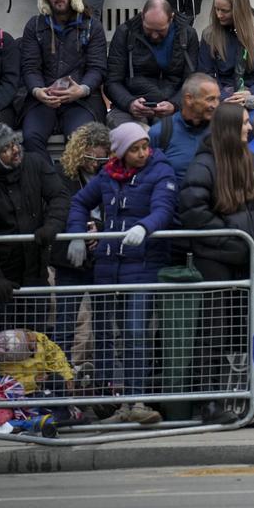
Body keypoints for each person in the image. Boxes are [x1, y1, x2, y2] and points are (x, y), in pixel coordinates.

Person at [65, 122, 177, 425]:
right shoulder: (106, 175)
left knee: (135, 332)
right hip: (107, 265)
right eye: (135, 149)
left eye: (144, 147)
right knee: (103, 335)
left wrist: (145, 226)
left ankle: (136, 399)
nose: (142, 153)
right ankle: (106, 400)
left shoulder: (160, 171)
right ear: (121, 153)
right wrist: (76, 234)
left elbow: (164, 208)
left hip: (141, 266)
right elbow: (79, 201)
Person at [178, 102, 254, 424]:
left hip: (245, 260)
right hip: (215, 260)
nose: (249, 128)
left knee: (241, 332)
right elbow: (193, 211)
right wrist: (232, 240)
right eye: (245, 123)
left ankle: (237, 400)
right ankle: (207, 402)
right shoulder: (204, 164)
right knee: (214, 332)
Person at [19, 0, 108, 163]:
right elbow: (30, 67)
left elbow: (97, 68)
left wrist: (83, 89)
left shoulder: (91, 26)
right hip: (43, 99)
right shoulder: (34, 26)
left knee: (80, 140)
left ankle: (76, 191)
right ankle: (49, 187)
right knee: (31, 137)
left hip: (81, 101)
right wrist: (37, 91)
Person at [0, 122, 68, 312]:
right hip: (1, 279)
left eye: (14, 143)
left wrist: (52, 225)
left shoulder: (35, 162)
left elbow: (59, 196)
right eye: (5, 148)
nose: (14, 150)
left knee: (35, 338)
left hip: (36, 271)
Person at [48, 122, 111, 362]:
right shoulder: (61, 175)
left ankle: (104, 385)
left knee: (104, 325)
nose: (95, 164)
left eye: (101, 159)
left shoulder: (113, 176)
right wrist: (82, 230)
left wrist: (101, 229)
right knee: (65, 324)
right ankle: (59, 385)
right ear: (78, 151)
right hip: (69, 258)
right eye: (89, 158)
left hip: (101, 257)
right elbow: (57, 211)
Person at [105, 0, 199, 128]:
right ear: (142, 16)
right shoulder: (125, 33)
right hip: (131, 104)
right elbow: (112, 81)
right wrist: (130, 103)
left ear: (171, 19)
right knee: (132, 136)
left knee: (167, 133)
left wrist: (175, 104)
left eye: (160, 31)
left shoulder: (188, 35)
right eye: (149, 29)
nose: (154, 35)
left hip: (172, 105)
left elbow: (192, 81)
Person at [147, 72, 220, 182]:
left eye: (218, 99)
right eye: (210, 99)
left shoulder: (221, 130)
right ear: (189, 99)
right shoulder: (160, 132)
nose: (215, 105)